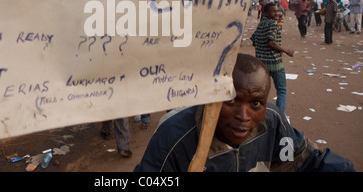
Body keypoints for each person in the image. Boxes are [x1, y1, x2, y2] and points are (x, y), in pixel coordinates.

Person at [134, 53, 355, 172]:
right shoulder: (174, 138)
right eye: (231, 100)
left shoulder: (272, 119)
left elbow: (297, 160)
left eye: (256, 103)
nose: (243, 115)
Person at [250, 3, 294, 114]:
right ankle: (280, 115)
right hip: (275, 63)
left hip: (261, 63)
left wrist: (261, 49)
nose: (276, 13)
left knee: (263, 90)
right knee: (282, 90)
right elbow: (271, 42)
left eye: (277, 10)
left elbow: (254, 41)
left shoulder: (261, 24)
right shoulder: (274, 24)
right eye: (273, 11)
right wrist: (285, 50)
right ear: (266, 13)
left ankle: (261, 112)